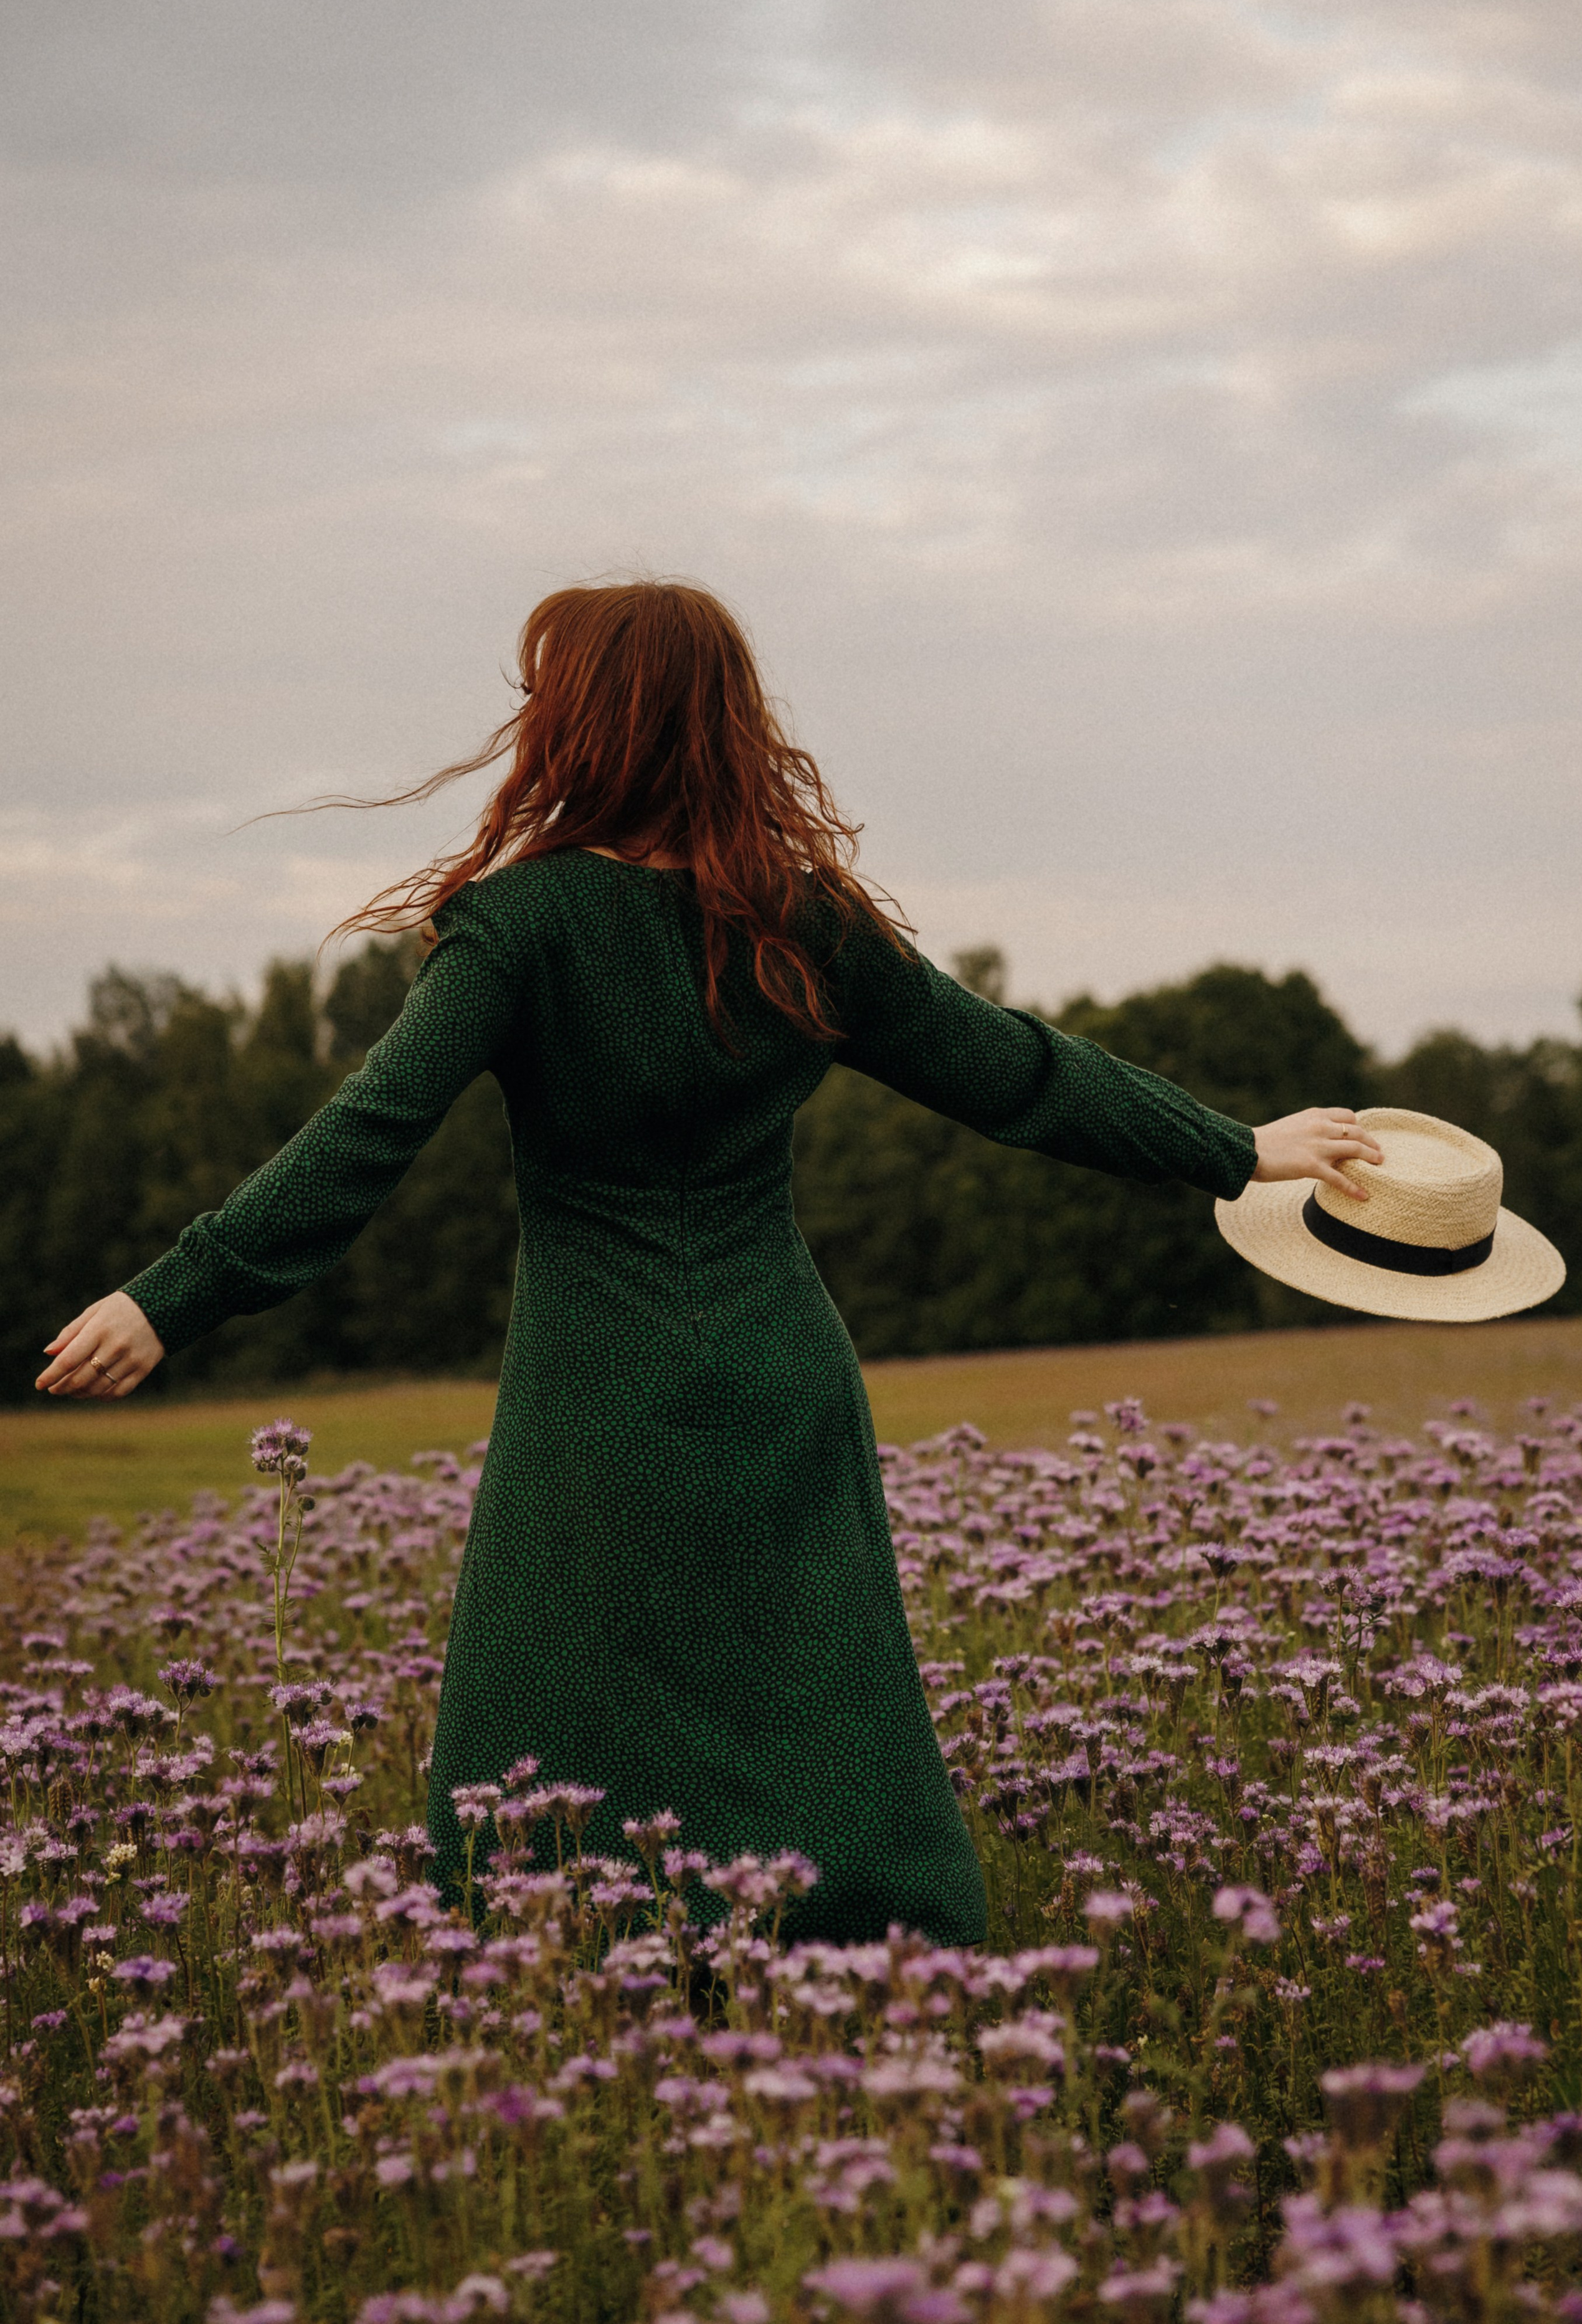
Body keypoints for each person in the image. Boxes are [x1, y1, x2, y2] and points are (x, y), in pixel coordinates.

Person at [37, 579, 1383, 1947]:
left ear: (587, 722)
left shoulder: (523, 926)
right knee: (815, 1711)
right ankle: (866, 1978)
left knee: (549, 1728)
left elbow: (361, 1139)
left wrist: (170, 1295)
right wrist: (1230, 1146)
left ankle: (572, 1978)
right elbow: (1016, 1072)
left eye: (539, 694)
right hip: (777, 1370)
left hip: (593, 1394)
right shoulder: (794, 915)